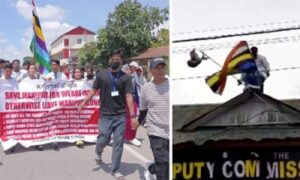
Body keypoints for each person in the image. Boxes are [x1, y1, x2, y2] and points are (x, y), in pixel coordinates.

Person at [78, 49, 139, 180]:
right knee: (103, 138)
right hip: (105, 115)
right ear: (109, 60)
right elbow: (93, 91)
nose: (115, 62)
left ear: (122, 62)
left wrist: (133, 116)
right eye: (113, 59)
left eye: (118, 60)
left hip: (120, 115)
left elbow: (129, 96)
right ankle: (98, 151)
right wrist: (84, 102)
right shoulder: (102, 75)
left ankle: (115, 169)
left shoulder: (126, 78)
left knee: (118, 143)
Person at [138, 57, 169, 180]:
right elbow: (143, 110)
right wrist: (137, 124)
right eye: (157, 68)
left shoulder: (173, 85)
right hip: (155, 129)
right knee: (164, 161)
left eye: (162, 67)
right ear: (151, 71)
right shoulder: (146, 88)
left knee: (168, 162)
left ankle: (153, 169)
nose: (160, 70)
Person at [72, 67, 85, 147]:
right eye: (76, 72)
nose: (77, 73)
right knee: (75, 121)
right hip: (73, 105)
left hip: (83, 104)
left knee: (82, 121)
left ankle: (82, 136)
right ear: (74, 74)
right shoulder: (70, 83)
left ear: (81, 73)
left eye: (79, 72)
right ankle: (77, 137)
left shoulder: (85, 82)